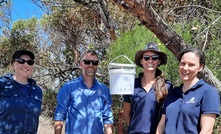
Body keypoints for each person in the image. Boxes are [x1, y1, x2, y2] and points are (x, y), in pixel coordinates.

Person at [156, 47, 220, 134]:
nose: (185, 68)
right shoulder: (172, 93)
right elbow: (161, 125)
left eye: (191, 65)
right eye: (183, 63)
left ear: (201, 67)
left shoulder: (208, 92)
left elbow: (206, 130)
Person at [54, 50, 113, 134]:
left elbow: (107, 120)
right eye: (87, 62)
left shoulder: (104, 90)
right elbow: (59, 116)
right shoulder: (68, 87)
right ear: (81, 64)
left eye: (94, 62)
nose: (91, 65)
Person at [123, 42, 173, 134]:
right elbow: (126, 112)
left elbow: (167, 115)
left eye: (154, 58)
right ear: (141, 61)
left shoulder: (166, 85)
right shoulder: (131, 84)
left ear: (159, 61)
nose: (150, 61)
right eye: (146, 58)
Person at [0, 49, 42, 133]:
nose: (26, 65)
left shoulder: (37, 90)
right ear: (12, 64)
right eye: (21, 61)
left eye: (30, 62)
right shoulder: (2, 84)